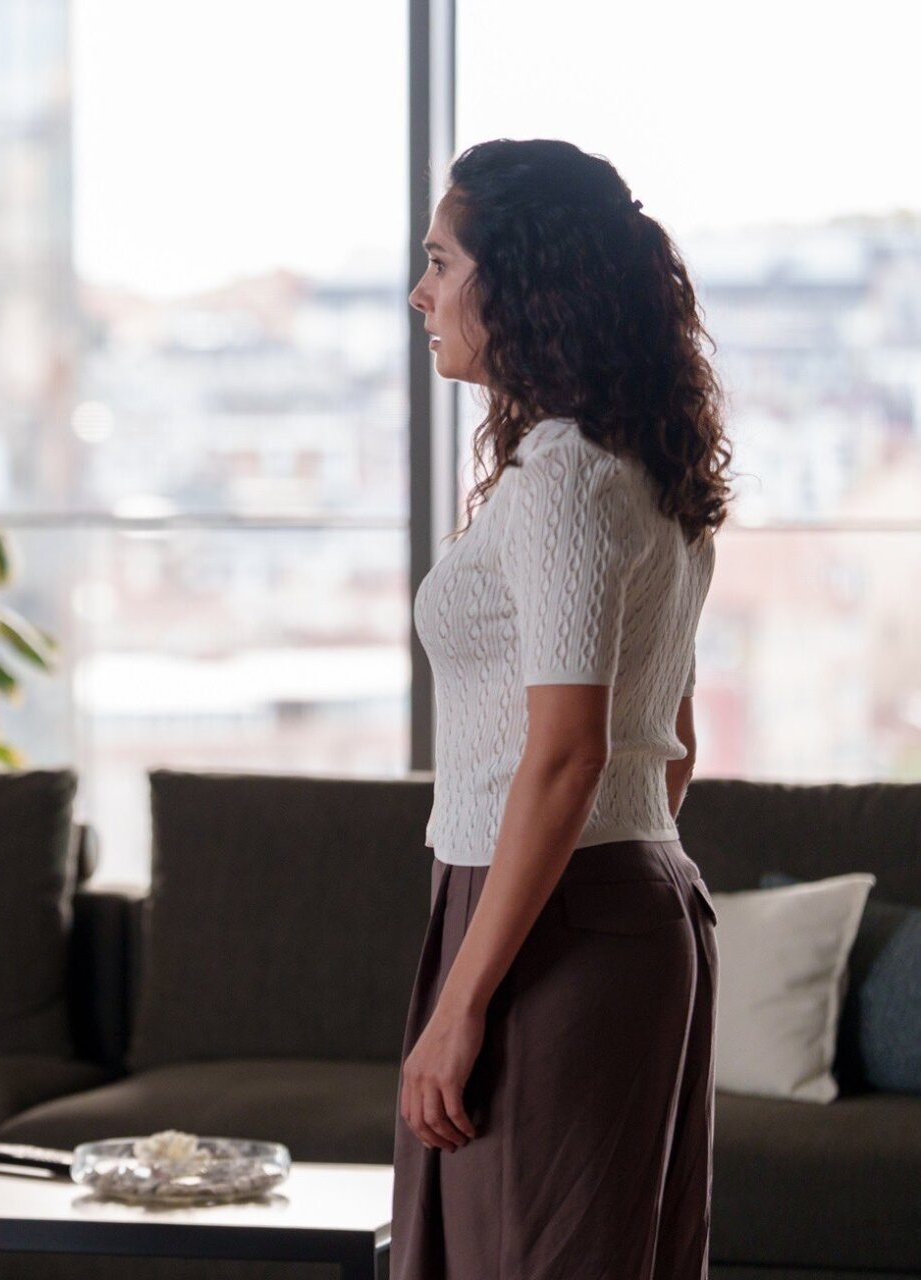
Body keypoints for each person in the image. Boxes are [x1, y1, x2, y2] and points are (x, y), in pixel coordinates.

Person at [395, 138, 732, 1279]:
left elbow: (569, 755)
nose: (422, 293)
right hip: (617, 901)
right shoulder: (643, 468)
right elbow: (669, 747)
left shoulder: (566, 480)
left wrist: (463, 1001)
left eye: (443, 262)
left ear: (525, 282)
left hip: (552, 918)